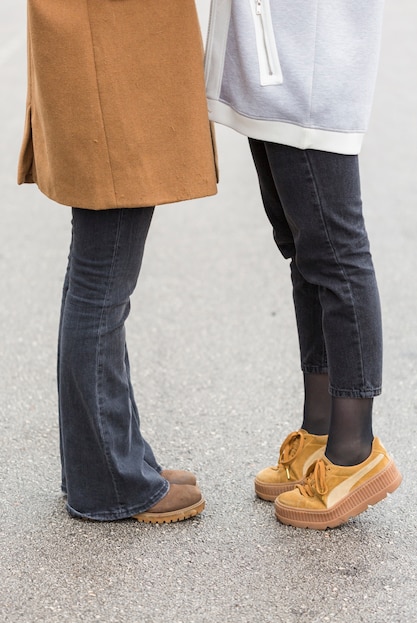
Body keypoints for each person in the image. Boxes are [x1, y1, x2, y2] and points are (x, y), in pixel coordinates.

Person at [18, 0, 217, 523]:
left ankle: (105, 462)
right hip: (109, 50)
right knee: (101, 279)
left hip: (108, 44)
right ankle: (109, 479)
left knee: (96, 276)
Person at [205, 0, 401, 529]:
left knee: (336, 254)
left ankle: (354, 452)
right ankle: (319, 434)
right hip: (273, 61)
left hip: (307, 59)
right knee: (304, 250)